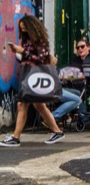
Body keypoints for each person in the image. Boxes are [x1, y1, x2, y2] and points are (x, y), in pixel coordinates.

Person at [1, 15, 66, 145]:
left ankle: (15, 137)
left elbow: (40, 59)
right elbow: (28, 58)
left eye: (25, 27)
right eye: (21, 28)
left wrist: (23, 52)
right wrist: (18, 52)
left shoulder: (40, 41)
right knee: (39, 105)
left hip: (34, 76)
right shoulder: (27, 41)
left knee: (22, 104)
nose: (23, 30)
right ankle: (57, 132)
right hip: (29, 76)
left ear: (32, 27)